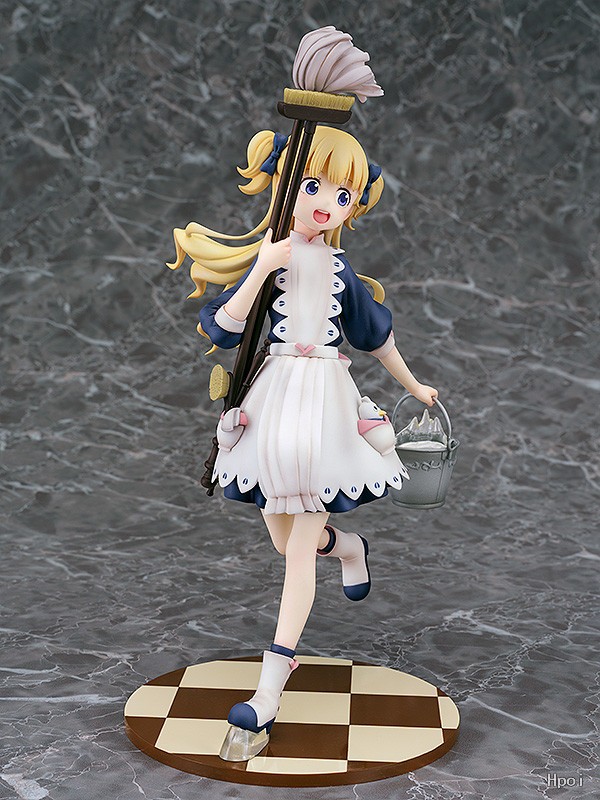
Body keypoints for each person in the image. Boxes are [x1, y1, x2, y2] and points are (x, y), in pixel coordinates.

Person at [167, 125, 438, 759]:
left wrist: (414, 384)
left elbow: (376, 338)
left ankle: (271, 684)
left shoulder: (340, 270)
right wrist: (263, 266)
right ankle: (348, 548)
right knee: (284, 537)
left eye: (342, 195)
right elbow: (224, 330)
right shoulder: (272, 255)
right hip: (273, 402)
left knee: (296, 552)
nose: (326, 204)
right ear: (286, 184)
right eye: (313, 186)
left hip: (323, 407)